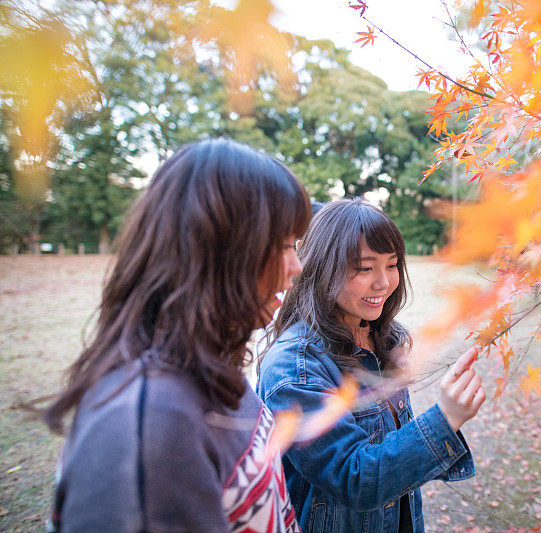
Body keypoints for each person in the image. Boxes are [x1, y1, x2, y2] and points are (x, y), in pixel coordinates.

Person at [43, 139, 310, 532]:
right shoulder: (147, 426)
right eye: (284, 245)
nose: (297, 266)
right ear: (222, 250)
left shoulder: (207, 362)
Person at [257, 198, 486, 533]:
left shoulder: (382, 338)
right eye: (365, 268)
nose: (383, 283)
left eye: (391, 265)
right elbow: (355, 478)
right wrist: (445, 418)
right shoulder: (295, 368)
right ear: (323, 266)